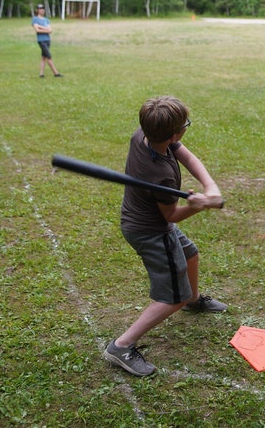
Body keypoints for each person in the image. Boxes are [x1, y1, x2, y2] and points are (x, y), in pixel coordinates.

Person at [103, 96, 226, 377]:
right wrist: (198, 206)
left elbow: (187, 156)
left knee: (190, 254)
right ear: (174, 134)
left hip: (145, 220)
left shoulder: (143, 136)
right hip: (151, 231)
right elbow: (171, 215)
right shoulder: (159, 174)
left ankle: (193, 300)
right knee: (173, 297)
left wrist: (210, 187)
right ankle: (121, 346)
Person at [31, 4, 63, 78]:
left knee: (43, 57)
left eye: (43, 9)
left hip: (47, 40)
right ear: (37, 10)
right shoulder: (35, 19)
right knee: (49, 57)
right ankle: (56, 73)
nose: (42, 10)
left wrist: (40, 27)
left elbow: (50, 30)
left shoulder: (46, 20)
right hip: (41, 40)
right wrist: (45, 29)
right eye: (40, 9)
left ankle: (41, 74)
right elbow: (37, 30)